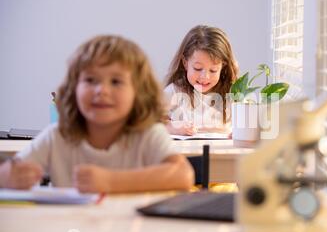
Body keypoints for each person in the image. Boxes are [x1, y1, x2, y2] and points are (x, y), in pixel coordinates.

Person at [0, 35, 194, 193]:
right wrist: (6, 176)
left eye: (116, 82)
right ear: (73, 88)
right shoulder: (58, 136)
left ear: (138, 93)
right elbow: (12, 169)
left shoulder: (148, 135)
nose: (101, 90)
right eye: (91, 80)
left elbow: (183, 175)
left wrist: (111, 181)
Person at [165, 25, 239, 135]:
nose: (205, 77)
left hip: (222, 151)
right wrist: (172, 128)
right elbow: (149, 122)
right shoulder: (174, 91)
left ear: (222, 66)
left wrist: (240, 132)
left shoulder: (232, 93)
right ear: (185, 63)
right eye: (198, 68)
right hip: (187, 152)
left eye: (213, 70)